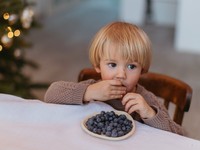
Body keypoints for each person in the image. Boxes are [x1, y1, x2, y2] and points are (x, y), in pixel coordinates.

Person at [44, 21, 185, 135]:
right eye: (112, 64)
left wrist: (149, 113)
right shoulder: (92, 88)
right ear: (98, 66)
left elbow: (178, 135)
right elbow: (51, 94)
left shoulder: (146, 100)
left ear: (142, 69)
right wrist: (88, 92)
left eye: (131, 66)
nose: (121, 75)